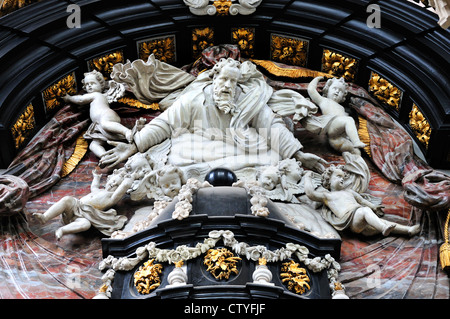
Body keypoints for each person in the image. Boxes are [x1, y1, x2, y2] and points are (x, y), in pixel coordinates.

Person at [99, 58, 327, 175]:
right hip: (199, 147)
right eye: (223, 80)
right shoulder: (195, 99)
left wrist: (299, 155)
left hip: (242, 147)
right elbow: (165, 123)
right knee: (177, 154)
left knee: (274, 158)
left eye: (233, 81)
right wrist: (134, 146)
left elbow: (272, 126)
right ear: (214, 79)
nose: (227, 85)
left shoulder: (248, 100)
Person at [303, 169, 420, 237]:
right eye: (338, 176)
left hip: (363, 224)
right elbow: (310, 193)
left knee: (380, 220)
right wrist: (307, 177)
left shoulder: (349, 192)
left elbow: (363, 201)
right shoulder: (327, 196)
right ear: (328, 180)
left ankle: (407, 230)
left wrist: (374, 207)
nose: (342, 179)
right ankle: (383, 228)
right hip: (352, 220)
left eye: (343, 177)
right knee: (364, 211)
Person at [33, 167, 131, 239]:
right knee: (67, 199)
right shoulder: (100, 190)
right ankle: (45, 217)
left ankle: (62, 230)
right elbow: (94, 187)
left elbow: (125, 185)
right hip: (76, 206)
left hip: (83, 217)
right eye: (112, 181)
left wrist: (130, 178)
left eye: (116, 184)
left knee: (86, 224)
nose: (112, 184)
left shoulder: (112, 197)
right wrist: (96, 177)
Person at [62, 70, 132, 158]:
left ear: (101, 85)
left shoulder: (96, 95)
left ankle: (126, 131)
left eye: (92, 83)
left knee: (106, 124)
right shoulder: (95, 96)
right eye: (87, 84)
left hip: (106, 115)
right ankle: (105, 157)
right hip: (98, 124)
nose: (89, 86)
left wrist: (69, 98)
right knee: (93, 145)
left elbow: (80, 100)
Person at [305, 76, 366, 155]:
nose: (337, 92)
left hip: (336, 139)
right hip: (331, 126)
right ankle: (356, 141)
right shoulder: (323, 100)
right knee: (349, 120)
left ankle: (354, 165)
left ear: (343, 95)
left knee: (356, 151)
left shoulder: (341, 108)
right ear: (327, 90)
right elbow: (311, 90)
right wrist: (317, 79)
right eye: (335, 88)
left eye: (340, 91)